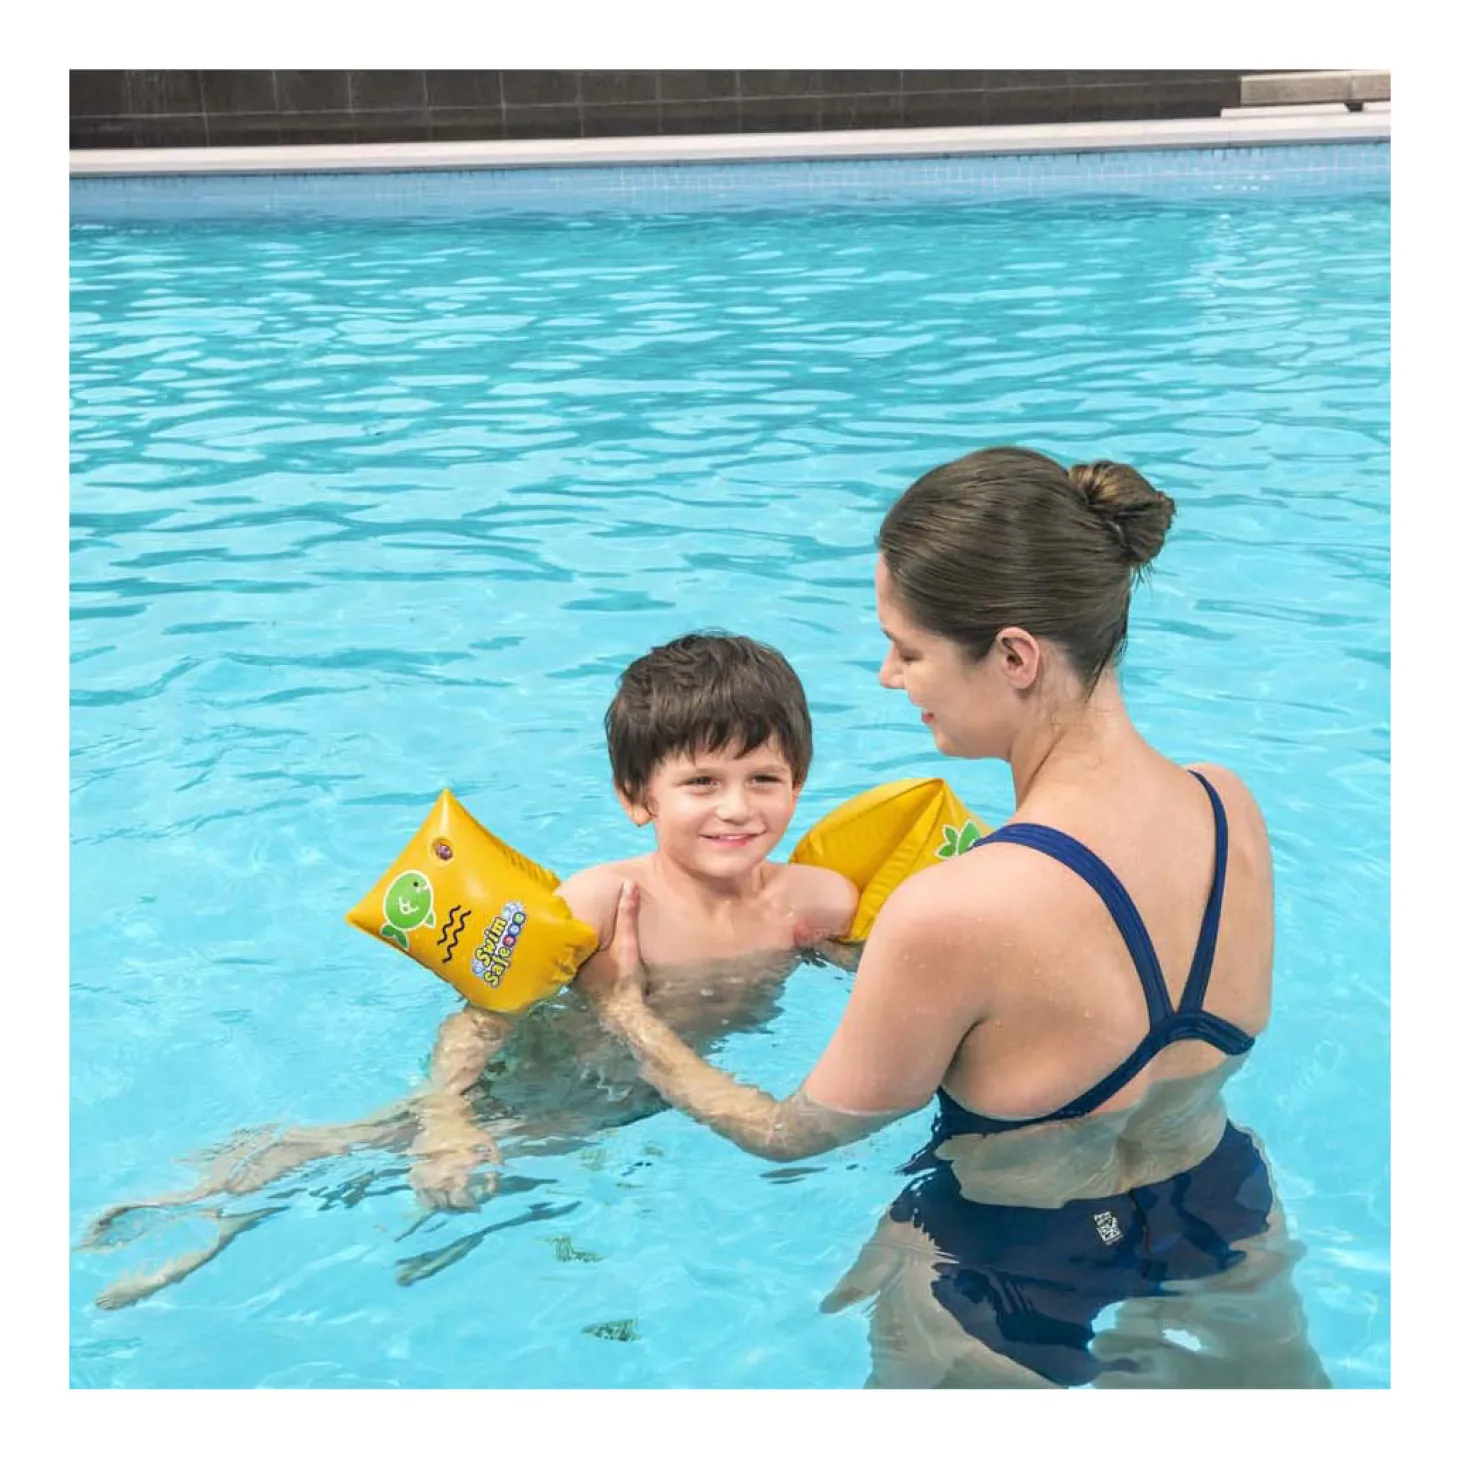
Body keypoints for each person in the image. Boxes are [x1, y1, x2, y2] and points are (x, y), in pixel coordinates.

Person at [579, 447, 1330, 1388]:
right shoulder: (1227, 805)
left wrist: (627, 1015)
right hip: (1222, 1214)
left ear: (1014, 657)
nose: (890, 676)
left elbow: (786, 1136)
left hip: (1009, 1262)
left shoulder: (953, 911)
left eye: (909, 649)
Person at [80, 632, 859, 1309]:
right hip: (543, 1080)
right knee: (369, 1144)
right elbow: (481, 1018)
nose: (737, 808)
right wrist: (447, 1118)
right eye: (702, 783)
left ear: (799, 781)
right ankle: (203, 1206)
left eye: (764, 779)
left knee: (480, 1182)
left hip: (644, 1102)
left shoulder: (817, 902)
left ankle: (335, 1221)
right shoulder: (601, 903)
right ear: (637, 797)